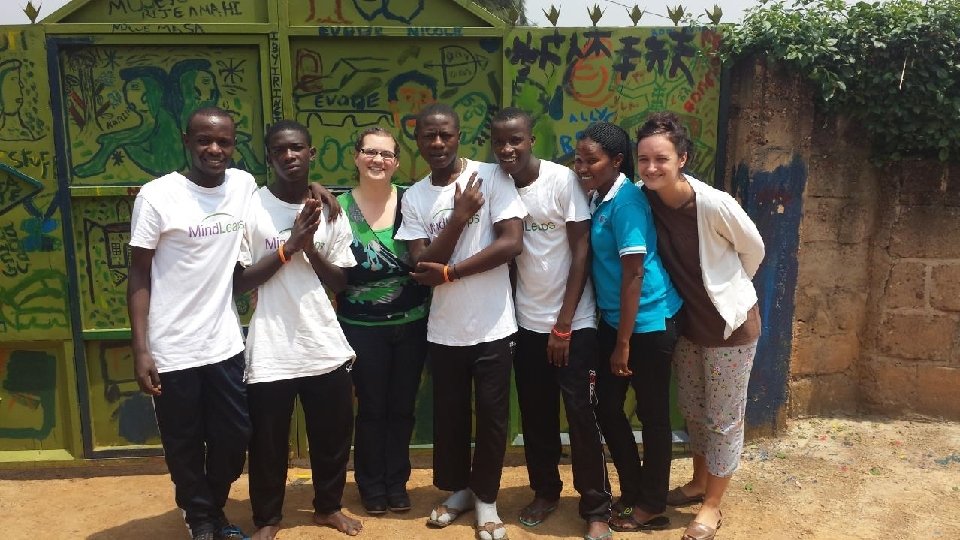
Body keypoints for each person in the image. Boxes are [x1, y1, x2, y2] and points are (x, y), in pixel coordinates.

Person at [395, 103, 525, 540]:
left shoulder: (491, 177)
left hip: (493, 326)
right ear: (417, 140)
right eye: (428, 136)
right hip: (445, 329)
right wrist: (459, 217)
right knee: (450, 417)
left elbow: (511, 243)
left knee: (491, 417)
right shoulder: (414, 197)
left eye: (445, 135)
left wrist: (450, 272)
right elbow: (421, 265)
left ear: (458, 135)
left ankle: (486, 499)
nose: (437, 143)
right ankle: (461, 491)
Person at [127, 107, 254, 540]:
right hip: (172, 347)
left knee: (235, 436)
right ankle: (203, 521)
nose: (214, 149)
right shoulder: (158, 196)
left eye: (223, 142)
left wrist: (315, 187)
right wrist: (141, 349)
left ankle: (210, 508)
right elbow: (138, 274)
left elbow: (281, 195)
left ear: (233, 145)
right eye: (204, 140)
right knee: (183, 443)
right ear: (187, 141)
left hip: (224, 342)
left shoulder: (242, 185)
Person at [636, 112, 764, 540]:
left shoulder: (712, 203)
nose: (652, 167)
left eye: (662, 159)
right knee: (693, 410)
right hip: (687, 326)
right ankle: (697, 482)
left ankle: (712, 505)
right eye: (644, 159)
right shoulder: (644, 198)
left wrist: (728, 291)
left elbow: (754, 249)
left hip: (730, 328)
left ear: (682, 159)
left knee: (723, 419)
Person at [233, 120, 362, 539]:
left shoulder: (331, 210)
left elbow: (341, 281)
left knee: (332, 436)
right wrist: (289, 248)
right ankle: (268, 518)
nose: (289, 155)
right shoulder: (251, 207)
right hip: (271, 346)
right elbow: (239, 282)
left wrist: (309, 250)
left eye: (297, 148)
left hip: (322, 342)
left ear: (311, 153)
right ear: (268, 157)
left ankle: (328, 507)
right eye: (279, 150)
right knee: (267, 442)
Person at [489, 108, 612, 540]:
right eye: (499, 142)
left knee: (581, 416)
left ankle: (596, 507)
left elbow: (581, 251)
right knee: (536, 416)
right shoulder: (498, 182)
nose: (507, 149)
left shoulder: (561, 181)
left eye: (515, 140)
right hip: (525, 324)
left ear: (531, 140)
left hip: (573, 325)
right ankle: (545, 492)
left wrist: (563, 325)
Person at [573, 121, 683, 533]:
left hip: (648, 324)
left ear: (617, 161)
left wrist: (622, 344)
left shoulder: (627, 203)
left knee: (653, 416)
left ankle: (651, 503)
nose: (582, 167)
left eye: (592, 160)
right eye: (579, 159)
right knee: (606, 406)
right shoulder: (599, 196)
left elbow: (634, 274)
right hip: (616, 322)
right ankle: (634, 488)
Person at [336, 127, 430, 515]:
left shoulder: (412, 202)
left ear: (397, 162)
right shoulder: (337, 208)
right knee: (372, 407)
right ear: (356, 156)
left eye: (387, 154)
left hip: (412, 323)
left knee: (403, 407)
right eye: (370, 152)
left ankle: (397, 482)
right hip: (361, 328)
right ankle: (371, 485)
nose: (378, 160)